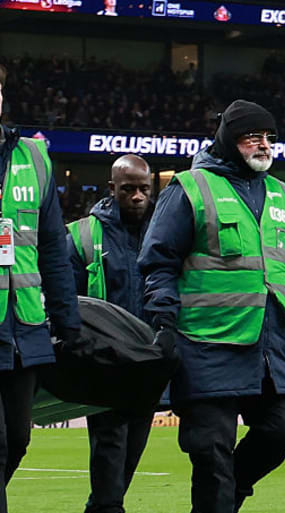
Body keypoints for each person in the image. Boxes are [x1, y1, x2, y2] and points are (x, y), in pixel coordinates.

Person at [138, 100, 285, 513]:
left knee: (281, 431)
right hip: (204, 344)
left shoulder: (283, 195)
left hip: (268, 347)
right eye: (252, 137)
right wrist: (163, 321)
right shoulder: (189, 188)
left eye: (269, 137)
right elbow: (158, 262)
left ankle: (229, 493)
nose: (263, 145)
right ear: (227, 140)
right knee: (209, 450)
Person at [0, 64, 82, 512]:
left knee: (18, 438)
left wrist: (67, 321)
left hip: (24, 325)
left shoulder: (34, 157)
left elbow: (53, 246)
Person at [66, 154, 155, 513]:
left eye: (144, 189)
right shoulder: (83, 234)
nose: (137, 196)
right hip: (104, 359)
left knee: (132, 447)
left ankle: (103, 506)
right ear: (111, 188)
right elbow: (69, 298)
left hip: (150, 361)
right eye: (128, 189)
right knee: (111, 442)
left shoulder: (164, 232)